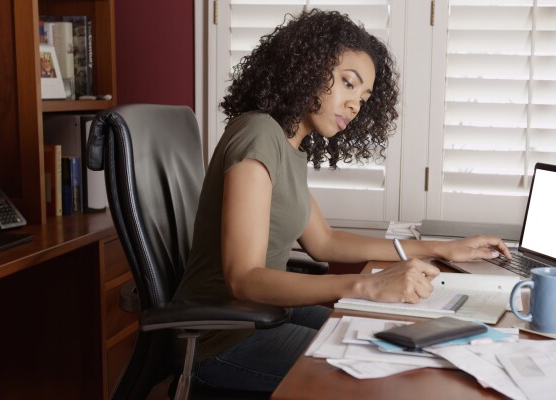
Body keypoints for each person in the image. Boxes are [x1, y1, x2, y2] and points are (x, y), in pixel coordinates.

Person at [172, 8, 511, 393]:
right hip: (223, 338)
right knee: (384, 373)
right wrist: (366, 286)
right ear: (307, 67)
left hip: (265, 315)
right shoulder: (257, 135)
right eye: (348, 84)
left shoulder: (287, 143)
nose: (355, 105)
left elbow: (324, 242)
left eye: (364, 97)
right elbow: (244, 279)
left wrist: (443, 248)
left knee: (395, 337)